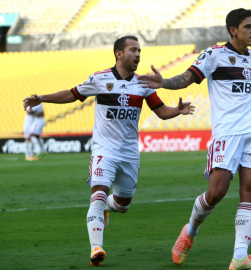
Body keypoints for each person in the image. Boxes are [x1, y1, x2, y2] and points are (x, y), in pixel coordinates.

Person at [23, 36, 194, 266]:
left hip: (129, 153)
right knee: (99, 192)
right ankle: (96, 247)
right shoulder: (100, 79)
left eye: (140, 50)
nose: (138, 55)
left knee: (123, 205)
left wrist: (178, 110)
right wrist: (41, 98)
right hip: (104, 149)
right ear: (119, 54)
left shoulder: (143, 84)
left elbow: (161, 111)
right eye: (133, 50)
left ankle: (106, 209)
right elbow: (72, 94)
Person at [139, 8, 251, 270]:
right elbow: (187, 78)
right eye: (248, 27)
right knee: (217, 192)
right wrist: (164, 82)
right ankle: (190, 231)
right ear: (233, 30)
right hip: (227, 133)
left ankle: (240, 256)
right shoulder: (214, 54)